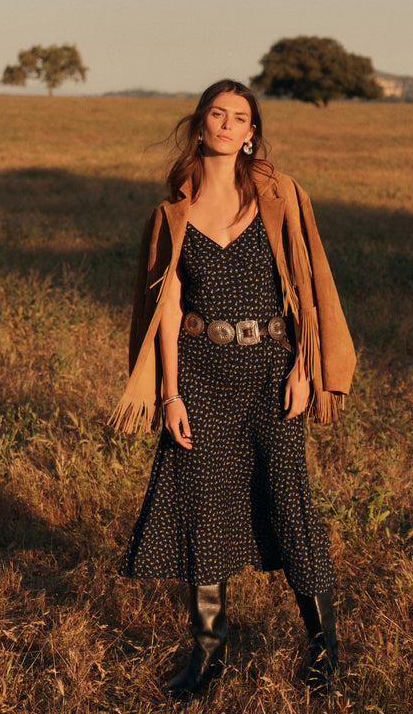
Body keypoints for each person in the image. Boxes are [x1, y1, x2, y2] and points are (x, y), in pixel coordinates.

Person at [110, 79, 356, 697]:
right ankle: (209, 655)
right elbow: (166, 309)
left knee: (291, 502)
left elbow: (300, 284)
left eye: (238, 117)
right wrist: (170, 393)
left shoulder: (281, 198)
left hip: (273, 369)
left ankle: (325, 651)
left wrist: (303, 368)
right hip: (198, 371)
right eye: (215, 114)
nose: (225, 124)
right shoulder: (173, 213)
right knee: (201, 509)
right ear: (200, 126)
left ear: (252, 133)